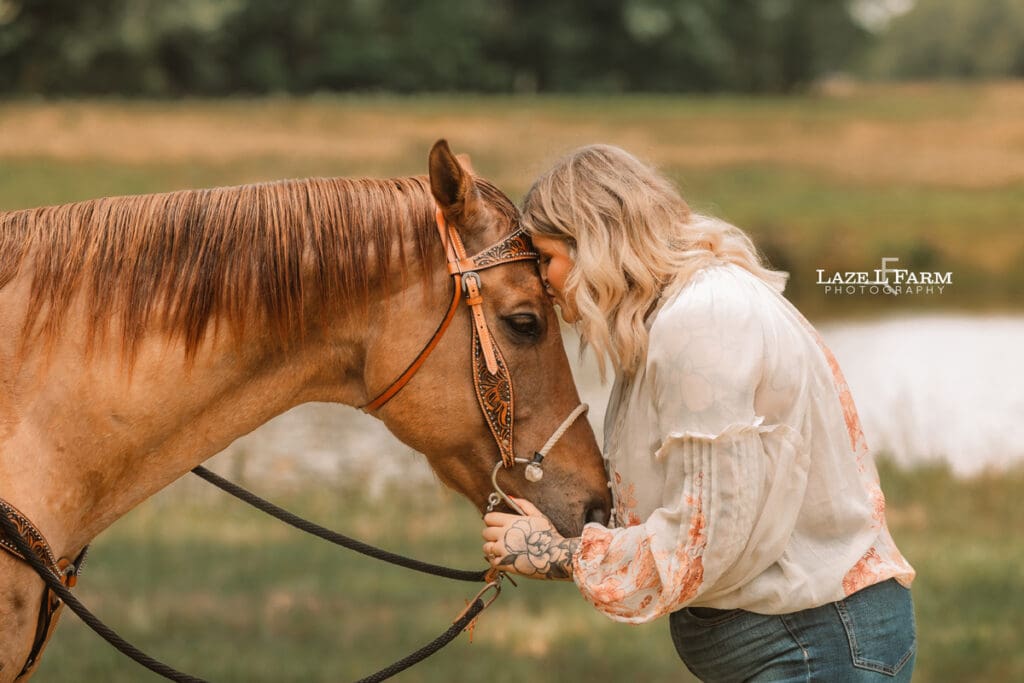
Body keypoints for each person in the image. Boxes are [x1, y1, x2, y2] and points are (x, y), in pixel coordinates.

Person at [481, 144, 916, 681]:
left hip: (810, 643)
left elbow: (702, 539)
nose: (543, 283)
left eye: (547, 258)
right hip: (800, 640)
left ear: (594, 242)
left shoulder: (703, 321)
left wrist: (564, 556)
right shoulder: (673, 318)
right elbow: (698, 504)